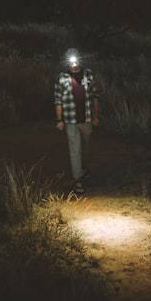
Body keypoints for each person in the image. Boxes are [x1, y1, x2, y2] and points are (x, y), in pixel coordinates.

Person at [53, 47, 100, 196]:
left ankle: (83, 170)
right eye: (70, 61)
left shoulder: (89, 74)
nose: (74, 64)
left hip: (86, 118)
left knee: (86, 147)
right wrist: (59, 119)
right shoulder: (62, 78)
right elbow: (58, 100)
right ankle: (77, 179)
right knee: (75, 149)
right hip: (70, 120)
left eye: (76, 60)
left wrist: (96, 116)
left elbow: (95, 96)